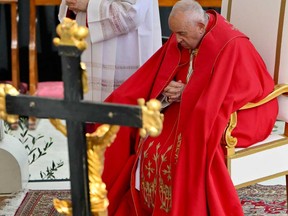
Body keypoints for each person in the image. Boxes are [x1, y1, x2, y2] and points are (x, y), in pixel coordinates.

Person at [91, 0, 279, 215]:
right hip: (190, 108)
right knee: (145, 134)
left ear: (201, 26)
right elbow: (157, 75)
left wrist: (187, 93)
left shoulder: (231, 44)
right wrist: (169, 90)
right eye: (174, 33)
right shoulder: (187, 33)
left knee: (183, 147)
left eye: (181, 34)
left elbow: (244, 89)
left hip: (240, 115)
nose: (177, 40)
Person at [58, 0, 162, 101]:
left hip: (124, 48)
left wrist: (89, 6)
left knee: (121, 110)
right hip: (86, 43)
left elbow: (131, 13)